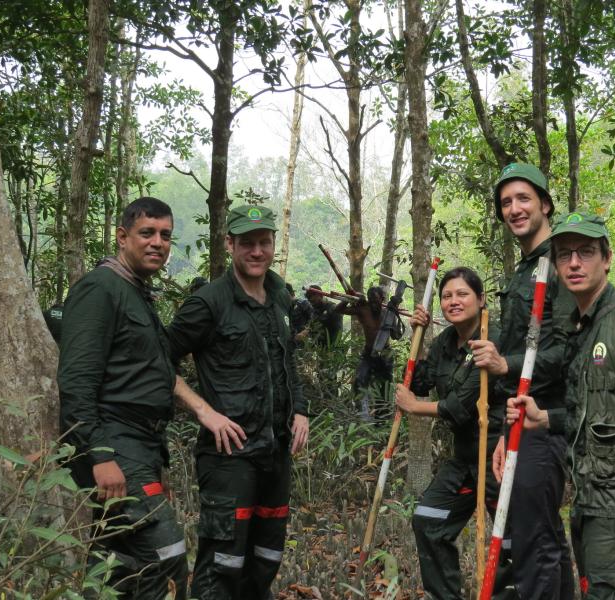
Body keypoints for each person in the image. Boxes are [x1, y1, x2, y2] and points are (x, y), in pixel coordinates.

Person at [507, 212, 615, 599]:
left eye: (585, 252)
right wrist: (545, 418)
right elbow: (596, 415)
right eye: (565, 254)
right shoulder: (581, 327)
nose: (573, 263)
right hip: (588, 502)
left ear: (607, 258)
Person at [167, 205, 309, 600]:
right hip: (229, 457)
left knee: (265, 559)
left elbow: (287, 362)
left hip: (275, 453)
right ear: (230, 244)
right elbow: (158, 360)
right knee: (223, 565)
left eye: (264, 242)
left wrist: (300, 409)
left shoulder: (279, 297)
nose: (257, 251)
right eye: (247, 243)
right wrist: (202, 410)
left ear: (273, 245)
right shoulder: (208, 302)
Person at [59, 197, 198, 598]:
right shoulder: (99, 289)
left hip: (142, 448)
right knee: (167, 557)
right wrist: (100, 456)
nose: (158, 242)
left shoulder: (135, 291)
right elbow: (76, 382)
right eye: (147, 233)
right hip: (115, 445)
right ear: (122, 237)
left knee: (119, 563)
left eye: (165, 235)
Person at [469, 163, 575, 599]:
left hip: (546, 419)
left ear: (545, 204)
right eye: (506, 203)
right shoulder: (524, 269)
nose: (514, 209)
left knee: (535, 543)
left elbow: (568, 351)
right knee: (543, 536)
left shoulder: (563, 262)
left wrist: (505, 365)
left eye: (523, 199)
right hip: (519, 416)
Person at [395, 267, 513, 599]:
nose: (453, 301)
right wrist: (416, 337)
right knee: (428, 521)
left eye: (462, 294)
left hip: (497, 456)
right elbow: (418, 383)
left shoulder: (492, 341)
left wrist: (414, 408)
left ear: (481, 299)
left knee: (510, 540)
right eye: (447, 296)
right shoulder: (446, 341)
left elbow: (461, 405)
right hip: (463, 458)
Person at [336, 286, 402, 421]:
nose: (373, 304)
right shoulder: (363, 310)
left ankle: (382, 419)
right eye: (370, 301)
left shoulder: (388, 314)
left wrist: (395, 316)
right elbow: (338, 310)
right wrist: (348, 297)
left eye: (376, 301)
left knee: (384, 387)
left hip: (385, 356)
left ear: (382, 299)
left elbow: (396, 336)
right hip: (368, 355)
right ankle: (363, 416)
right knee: (360, 380)